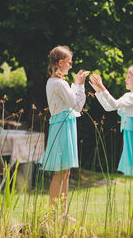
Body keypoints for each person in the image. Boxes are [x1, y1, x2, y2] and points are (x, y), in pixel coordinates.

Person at [89, 64, 133, 222]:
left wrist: (102, 87)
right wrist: (99, 90)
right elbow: (110, 107)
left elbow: (114, 104)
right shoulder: (132, 95)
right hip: (131, 137)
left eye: (129, 77)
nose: (126, 80)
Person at [38, 45, 89, 220]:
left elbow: (70, 101)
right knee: (60, 172)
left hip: (65, 124)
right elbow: (76, 105)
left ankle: (62, 212)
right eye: (69, 62)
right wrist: (80, 85)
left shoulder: (58, 83)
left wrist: (75, 84)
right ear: (60, 63)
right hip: (61, 127)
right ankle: (54, 214)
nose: (71, 65)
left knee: (65, 171)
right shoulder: (58, 83)